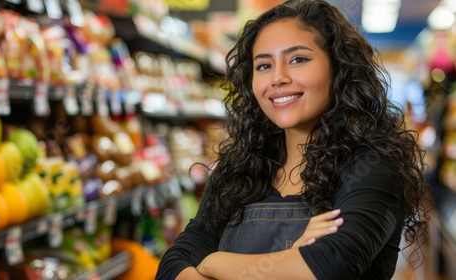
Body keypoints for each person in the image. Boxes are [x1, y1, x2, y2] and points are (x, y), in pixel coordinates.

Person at [156, 0, 433, 279]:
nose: (277, 77)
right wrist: (290, 259)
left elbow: (333, 265)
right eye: (263, 65)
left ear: (338, 68)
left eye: (298, 59)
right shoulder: (238, 170)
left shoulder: (373, 164)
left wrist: (213, 263)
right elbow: (173, 264)